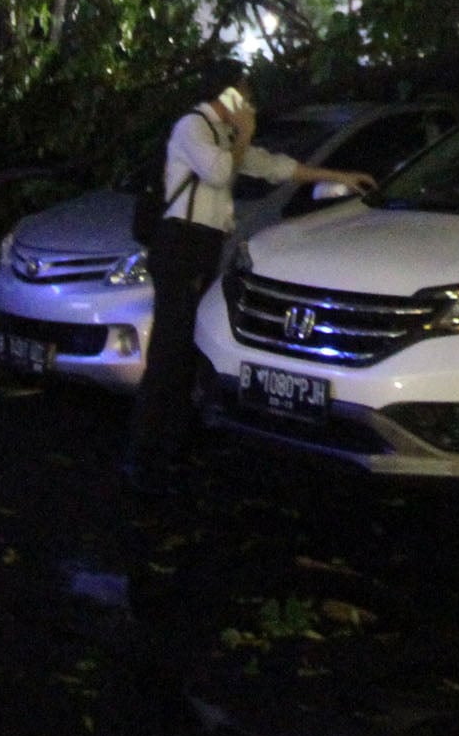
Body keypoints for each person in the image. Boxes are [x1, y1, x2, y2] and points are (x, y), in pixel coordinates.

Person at [121, 67, 372, 494]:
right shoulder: (192, 126)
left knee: (186, 347)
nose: (247, 101)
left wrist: (337, 177)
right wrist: (245, 133)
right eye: (242, 93)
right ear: (225, 93)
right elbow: (219, 172)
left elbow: (271, 166)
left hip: (203, 244)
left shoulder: (222, 134)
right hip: (179, 244)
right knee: (169, 349)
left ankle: (172, 447)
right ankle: (143, 455)